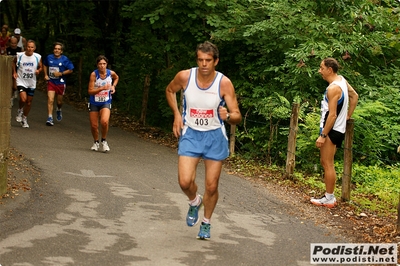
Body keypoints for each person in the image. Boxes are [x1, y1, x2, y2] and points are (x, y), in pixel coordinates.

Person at [165, 41, 242, 239]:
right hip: (191, 133)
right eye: (200, 60)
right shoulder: (185, 76)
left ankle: (206, 223)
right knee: (184, 181)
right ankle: (194, 201)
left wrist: (228, 116)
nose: (204, 64)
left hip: (214, 136)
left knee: (211, 186)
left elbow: (237, 115)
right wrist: (176, 114)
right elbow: (169, 90)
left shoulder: (224, 83)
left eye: (208, 60)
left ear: (216, 61)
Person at [310, 58, 358, 208]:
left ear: (329, 70)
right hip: (338, 129)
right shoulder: (342, 81)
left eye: (321, 68)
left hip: (331, 130)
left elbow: (332, 115)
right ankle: (328, 195)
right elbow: (354, 96)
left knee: (327, 163)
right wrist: (348, 115)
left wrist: (323, 135)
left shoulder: (333, 89)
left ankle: (329, 198)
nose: (320, 71)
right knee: (326, 162)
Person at [87, 55, 119, 152]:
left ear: (107, 64)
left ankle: (104, 141)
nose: (102, 66)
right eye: (100, 64)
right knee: (94, 125)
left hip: (106, 101)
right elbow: (90, 91)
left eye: (104, 64)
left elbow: (117, 77)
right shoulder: (94, 75)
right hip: (94, 102)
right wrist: (101, 88)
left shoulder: (111, 73)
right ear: (97, 65)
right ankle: (96, 142)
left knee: (104, 121)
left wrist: (113, 86)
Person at [43, 42, 74, 126]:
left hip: (60, 83)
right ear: (53, 50)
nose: (57, 50)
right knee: (50, 99)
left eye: (59, 49)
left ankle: (58, 109)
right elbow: (45, 65)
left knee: (59, 102)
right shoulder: (49, 57)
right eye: (55, 49)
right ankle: (50, 118)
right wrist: (45, 75)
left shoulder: (65, 59)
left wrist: (61, 73)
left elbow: (71, 69)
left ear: (61, 51)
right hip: (51, 82)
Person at [13, 40, 42, 128]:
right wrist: (14, 72)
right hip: (21, 80)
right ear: (26, 47)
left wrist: (38, 70)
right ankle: (20, 110)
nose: (30, 49)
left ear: (34, 48)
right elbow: (13, 62)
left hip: (31, 82)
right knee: (23, 99)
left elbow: (41, 67)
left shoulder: (37, 56)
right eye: (28, 47)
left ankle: (24, 118)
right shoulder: (20, 55)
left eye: (32, 47)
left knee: (29, 102)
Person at [6, 36, 22, 106]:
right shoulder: (7, 49)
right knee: (9, 85)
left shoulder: (20, 50)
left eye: (15, 43)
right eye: (12, 43)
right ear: (10, 43)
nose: (13, 45)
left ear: (17, 43)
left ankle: (15, 91)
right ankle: (11, 98)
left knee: (15, 87)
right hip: (8, 69)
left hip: (17, 69)